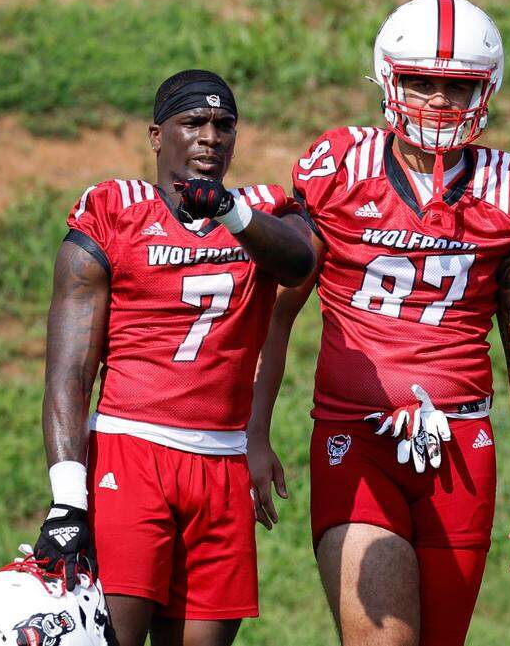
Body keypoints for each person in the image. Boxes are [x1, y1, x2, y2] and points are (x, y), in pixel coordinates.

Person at [248, 0, 510, 646]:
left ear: (488, 87)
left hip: (462, 453)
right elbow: (275, 317)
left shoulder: (509, 189)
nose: (440, 99)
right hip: (354, 441)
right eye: (422, 79)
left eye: (458, 84)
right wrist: (251, 432)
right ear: (390, 77)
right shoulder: (339, 171)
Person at [33, 69, 316, 646]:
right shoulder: (115, 212)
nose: (211, 137)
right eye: (194, 123)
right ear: (157, 135)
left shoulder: (260, 212)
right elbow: (68, 373)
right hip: (130, 451)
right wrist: (67, 501)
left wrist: (231, 215)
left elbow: (299, 262)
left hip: (221, 465)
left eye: (224, 125)